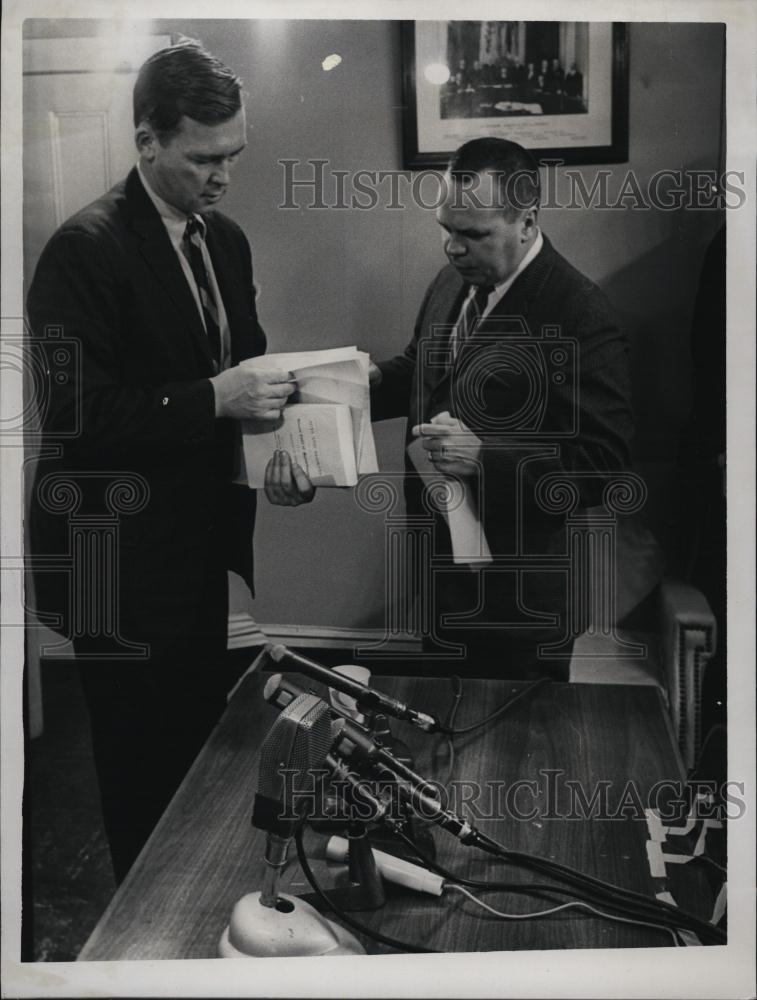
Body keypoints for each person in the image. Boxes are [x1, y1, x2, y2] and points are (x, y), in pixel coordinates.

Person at [26, 39, 311, 882]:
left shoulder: (224, 242)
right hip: (112, 558)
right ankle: (136, 937)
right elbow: (76, 415)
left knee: (190, 749)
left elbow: (244, 375)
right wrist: (214, 400)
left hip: (190, 548)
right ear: (146, 141)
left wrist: (278, 455)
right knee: (136, 770)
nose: (222, 177)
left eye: (234, 156)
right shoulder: (84, 249)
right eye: (202, 159)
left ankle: (180, 905)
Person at [368, 138, 633, 680]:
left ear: (527, 223)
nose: (452, 248)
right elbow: (427, 368)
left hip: (522, 600)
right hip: (443, 572)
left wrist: (483, 458)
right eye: (445, 228)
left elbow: (602, 465)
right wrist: (357, 386)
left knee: (516, 759)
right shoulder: (453, 281)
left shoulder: (580, 312)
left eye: (473, 234)